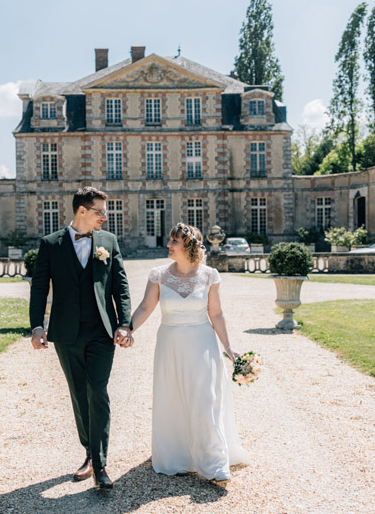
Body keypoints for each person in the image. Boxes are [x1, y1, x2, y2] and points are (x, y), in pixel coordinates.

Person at [126, 222, 250, 485]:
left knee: (205, 399)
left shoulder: (209, 275)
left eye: (174, 241)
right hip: (170, 345)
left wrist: (229, 348)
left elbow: (216, 314)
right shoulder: (158, 275)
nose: (168, 244)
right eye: (170, 240)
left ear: (189, 246)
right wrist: (128, 329)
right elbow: (145, 307)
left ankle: (213, 463)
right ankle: (178, 457)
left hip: (202, 345)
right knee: (173, 398)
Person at [29, 186, 133, 489]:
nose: (105, 216)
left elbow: (121, 286)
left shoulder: (109, 242)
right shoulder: (51, 244)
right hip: (66, 332)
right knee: (78, 393)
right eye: (99, 211)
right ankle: (89, 451)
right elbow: (39, 287)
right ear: (82, 211)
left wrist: (124, 324)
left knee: (97, 390)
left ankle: (100, 464)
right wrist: (37, 326)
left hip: (102, 330)